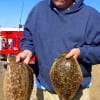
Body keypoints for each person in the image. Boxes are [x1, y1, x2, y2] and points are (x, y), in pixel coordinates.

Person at [16, 0, 100, 99]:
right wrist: (27, 50)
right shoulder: (38, 10)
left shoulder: (91, 15)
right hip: (45, 90)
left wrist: (81, 52)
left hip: (77, 93)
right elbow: (28, 38)